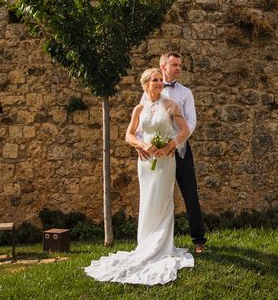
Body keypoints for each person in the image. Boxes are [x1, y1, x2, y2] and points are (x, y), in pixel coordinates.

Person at [85, 68, 194, 285]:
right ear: (145, 84)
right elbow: (129, 134)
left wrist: (171, 145)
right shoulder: (139, 108)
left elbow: (185, 130)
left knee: (163, 202)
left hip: (165, 159)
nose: (159, 83)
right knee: (147, 202)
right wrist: (142, 144)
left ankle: (163, 247)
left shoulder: (171, 105)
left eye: (160, 80)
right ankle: (145, 245)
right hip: (145, 162)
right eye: (155, 80)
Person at [137, 52, 207, 254]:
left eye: (180, 65)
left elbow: (191, 122)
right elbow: (143, 119)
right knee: (156, 195)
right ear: (163, 66)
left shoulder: (186, 93)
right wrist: (141, 145)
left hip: (180, 149)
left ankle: (198, 240)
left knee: (189, 193)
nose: (179, 68)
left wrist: (174, 143)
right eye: (174, 65)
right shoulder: (149, 90)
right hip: (155, 152)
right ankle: (156, 241)